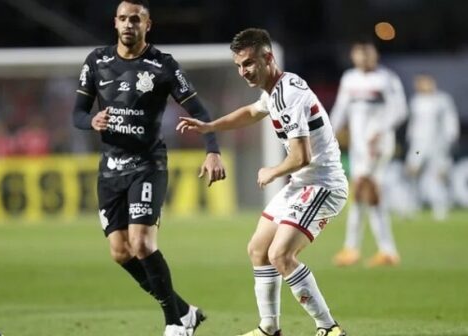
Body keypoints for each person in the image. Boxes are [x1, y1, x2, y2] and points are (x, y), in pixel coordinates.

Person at [177, 28, 348, 336]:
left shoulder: (289, 95)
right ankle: (269, 328)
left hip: (323, 185)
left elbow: (302, 156)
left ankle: (329, 329)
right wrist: (210, 126)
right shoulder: (274, 90)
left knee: (281, 255)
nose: (243, 72)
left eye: (248, 64)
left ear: (268, 58)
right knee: (258, 248)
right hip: (302, 182)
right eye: (239, 66)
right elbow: (251, 112)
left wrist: (272, 171)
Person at [72, 1, 226, 335]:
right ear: (115, 23)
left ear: (147, 25)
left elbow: (200, 109)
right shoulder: (96, 61)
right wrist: (92, 120)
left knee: (142, 244)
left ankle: (174, 322)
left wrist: (212, 151)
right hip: (110, 168)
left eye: (136, 19)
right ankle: (185, 311)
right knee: (120, 252)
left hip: (147, 165)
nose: (129, 24)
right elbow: (78, 114)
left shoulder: (163, 65)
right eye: (124, 19)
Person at [330, 40, 407, 267]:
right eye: (359, 55)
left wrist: (380, 130)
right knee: (370, 197)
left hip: (378, 144)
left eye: (367, 55)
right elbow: (341, 109)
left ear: (375, 56)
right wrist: (330, 133)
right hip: (358, 147)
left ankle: (353, 248)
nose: (363, 59)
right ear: (353, 57)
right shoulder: (349, 78)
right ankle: (386, 251)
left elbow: (401, 109)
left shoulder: (386, 79)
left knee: (361, 190)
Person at [405, 74, 460, 221]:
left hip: (437, 144)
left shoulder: (442, 100)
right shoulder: (415, 101)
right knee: (413, 172)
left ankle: (440, 208)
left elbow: (450, 121)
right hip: (418, 146)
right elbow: (413, 123)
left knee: (438, 176)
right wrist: (409, 139)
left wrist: (450, 138)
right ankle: (412, 206)